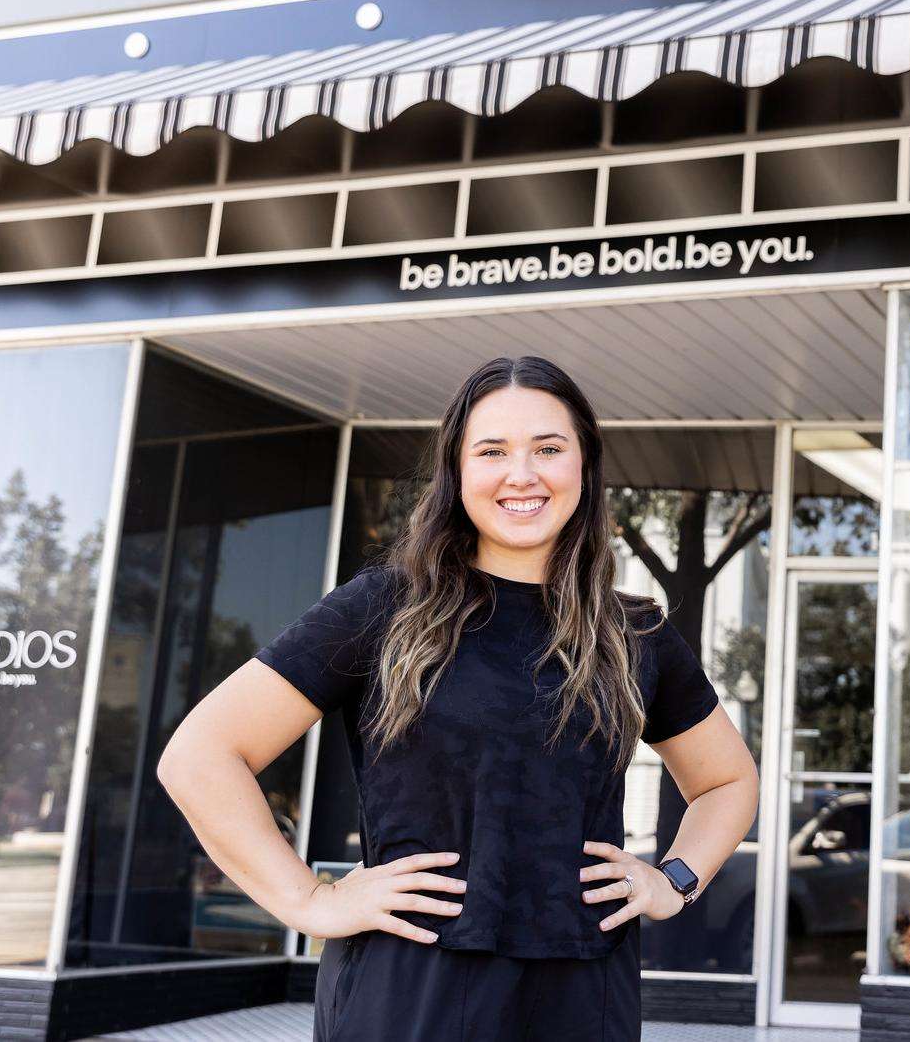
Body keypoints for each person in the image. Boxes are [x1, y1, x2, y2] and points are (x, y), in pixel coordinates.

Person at [157, 355, 760, 1041]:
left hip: (583, 993)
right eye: (492, 451)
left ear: (586, 466)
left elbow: (728, 781)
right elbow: (200, 757)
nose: (521, 474)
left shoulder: (634, 634)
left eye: (548, 449)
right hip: (410, 988)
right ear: (456, 470)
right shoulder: (383, 609)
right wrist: (308, 900)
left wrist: (673, 881)